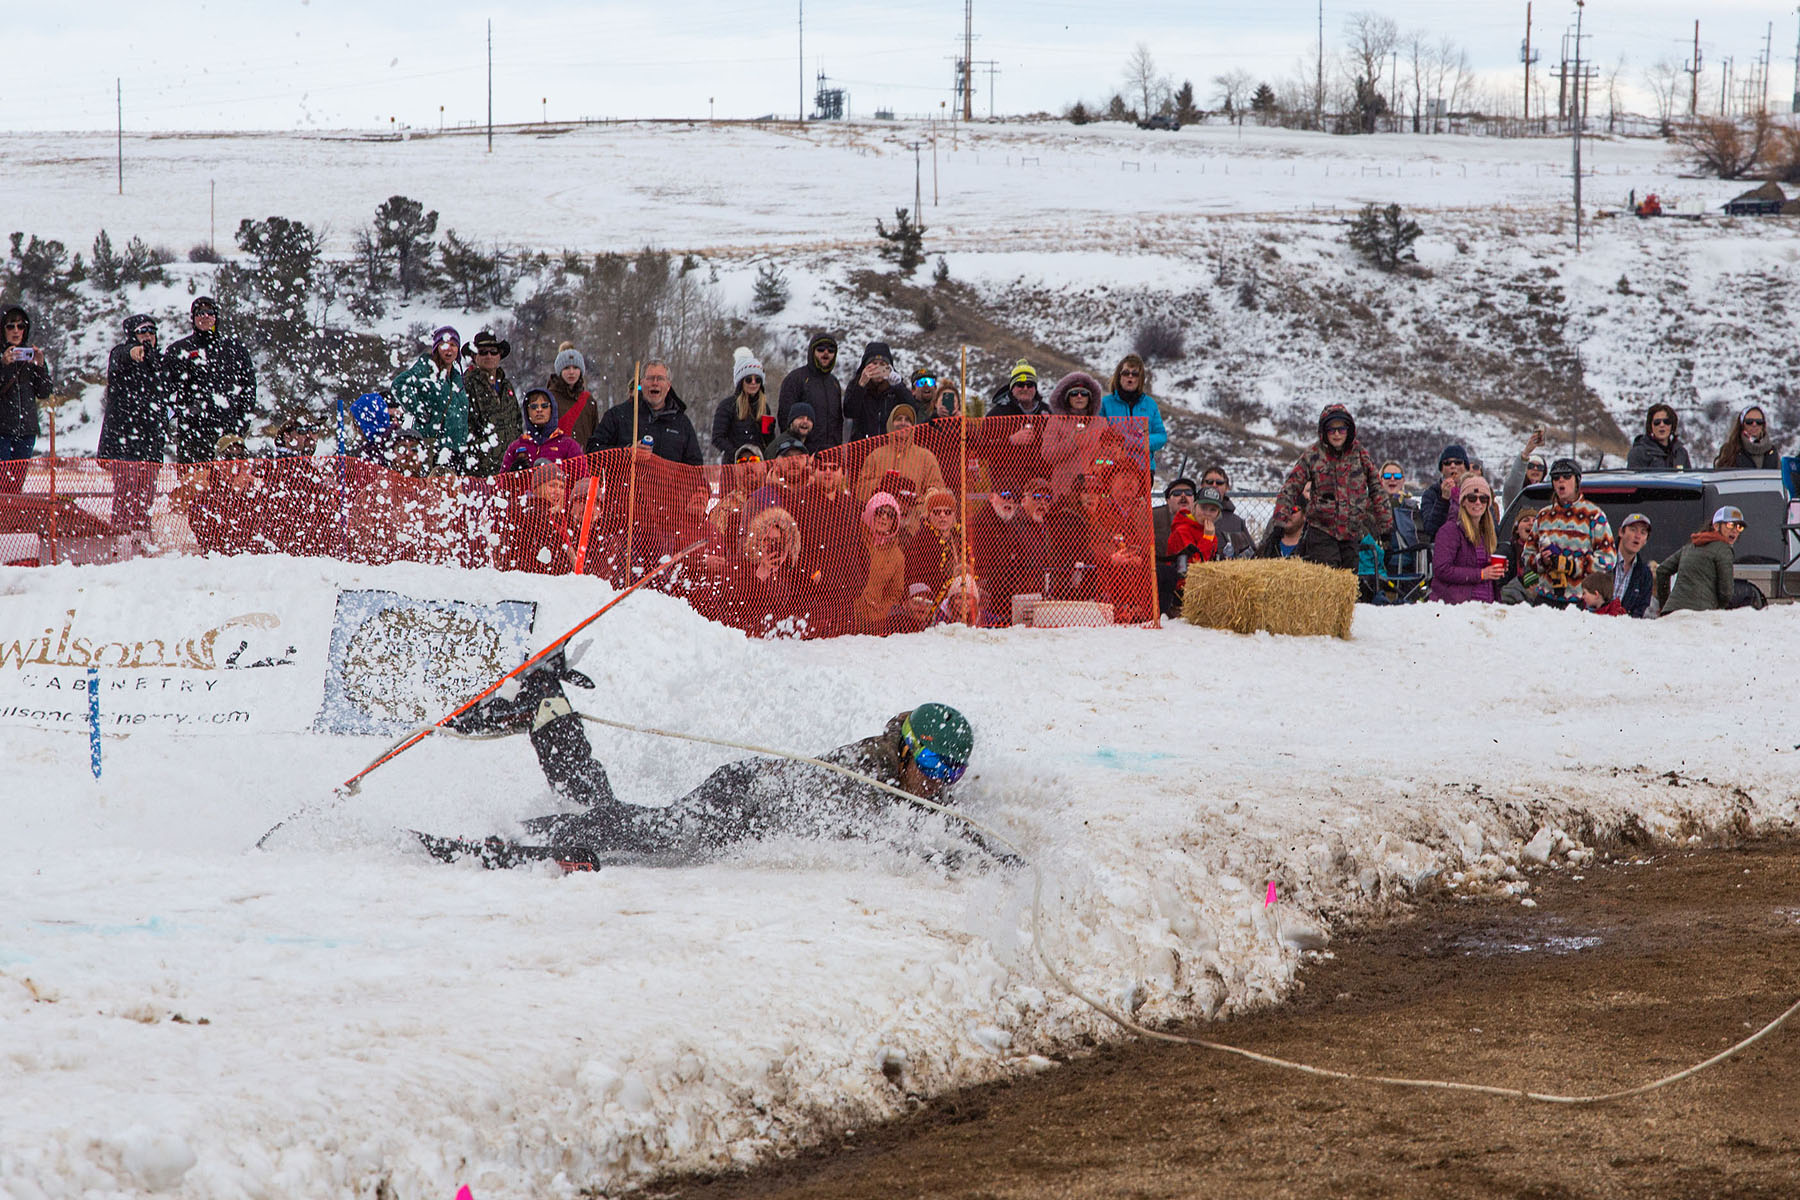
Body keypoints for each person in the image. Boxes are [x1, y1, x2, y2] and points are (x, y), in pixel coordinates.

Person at [420, 688, 982, 870]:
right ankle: (529, 838)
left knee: (637, 821)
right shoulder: (870, 774)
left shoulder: (903, 775)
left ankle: (552, 722)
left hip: (750, 797)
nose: (937, 783)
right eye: (931, 767)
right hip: (741, 802)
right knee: (660, 838)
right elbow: (910, 840)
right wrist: (954, 856)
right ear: (907, 749)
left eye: (949, 773)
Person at [1271, 404, 1391, 569]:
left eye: (1341, 429)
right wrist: (1279, 522)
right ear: (1323, 431)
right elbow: (1290, 488)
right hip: (1322, 530)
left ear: (1348, 430)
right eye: (1331, 430)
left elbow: (1377, 489)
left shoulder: (1360, 454)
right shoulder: (1313, 455)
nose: (1336, 434)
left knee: (1349, 581)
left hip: (1351, 531)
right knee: (1329, 580)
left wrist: (1385, 527)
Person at [163, 296, 257, 466]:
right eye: (200, 313)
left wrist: (241, 422)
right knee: (192, 488)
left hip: (229, 433)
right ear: (193, 317)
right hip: (193, 433)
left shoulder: (234, 348)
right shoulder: (179, 350)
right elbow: (166, 389)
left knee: (229, 486)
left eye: (209, 312)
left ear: (216, 317)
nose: (204, 316)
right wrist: (181, 413)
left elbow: (249, 386)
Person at [98, 314, 171, 532]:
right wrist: (133, 351)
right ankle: (119, 537)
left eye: (151, 331)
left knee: (146, 496)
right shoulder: (121, 355)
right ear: (132, 335)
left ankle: (141, 538)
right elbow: (121, 355)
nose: (148, 336)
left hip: (151, 442)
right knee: (125, 495)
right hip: (125, 441)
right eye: (142, 331)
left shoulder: (160, 362)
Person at [1514, 458, 1616, 605]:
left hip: (1581, 602)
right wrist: (1542, 561)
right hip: (1545, 600)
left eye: (1567, 476)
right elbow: (1526, 558)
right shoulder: (1543, 516)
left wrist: (1572, 566)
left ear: (1577, 481)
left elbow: (1608, 559)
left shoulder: (1594, 515)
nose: (1561, 481)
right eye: (1556, 477)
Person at [588, 359, 704, 465]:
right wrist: (627, 453)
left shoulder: (681, 423)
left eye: (660, 378)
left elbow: (695, 466)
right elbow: (592, 451)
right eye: (650, 378)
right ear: (641, 383)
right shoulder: (618, 415)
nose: (655, 383)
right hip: (627, 487)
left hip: (667, 487)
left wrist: (701, 487)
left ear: (668, 386)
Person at [390, 325, 469, 471]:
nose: (449, 349)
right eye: (444, 344)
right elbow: (399, 385)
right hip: (433, 446)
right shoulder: (427, 368)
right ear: (436, 348)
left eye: (453, 345)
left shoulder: (458, 378)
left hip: (457, 449)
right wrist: (418, 410)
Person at [185, 434, 272, 556]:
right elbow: (205, 534)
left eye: (241, 456)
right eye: (230, 457)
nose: (236, 462)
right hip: (218, 558)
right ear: (218, 460)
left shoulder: (255, 495)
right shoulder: (204, 492)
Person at [1428, 474, 1503, 604]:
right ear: (1463, 501)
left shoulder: (1487, 532)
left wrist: (1494, 570)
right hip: (1457, 607)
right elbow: (1442, 569)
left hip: (1486, 605)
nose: (1478, 502)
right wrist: (1481, 574)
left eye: (1483, 498)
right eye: (1472, 498)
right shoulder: (1450, 530)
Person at [0, 305, 52, 493]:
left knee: (15, 485)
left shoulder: (28, 358)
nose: (16, 331)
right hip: (2, 430)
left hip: (26, 430)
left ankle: (9, 521)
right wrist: (4, 365)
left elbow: (44, 392)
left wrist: (39, 365)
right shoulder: (3, 358)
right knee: (2, 485)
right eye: (10, 326)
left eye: (21, 326)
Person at [1656, 506, 1745, 615]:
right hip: (1700, 615)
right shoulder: (1723, 549)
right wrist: (1718, 609)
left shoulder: (1691, 545)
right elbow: (1726, 592)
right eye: (1730, 525)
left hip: (1671, 612)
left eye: (1739, 527)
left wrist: (1665, 605)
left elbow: (1662, 570)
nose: (1735, 530)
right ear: (1716, 526)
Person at [853, 403, 946, 507]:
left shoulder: (926, 457)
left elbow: (937, 490)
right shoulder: (876, 455)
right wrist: (882, 484)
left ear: (913, 426)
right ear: (891, 423)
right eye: (898, 419)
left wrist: (915, 500)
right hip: (881, 517)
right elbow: (860, 490)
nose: (903, 423)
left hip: (914, 518)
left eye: (907, 420)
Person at [1153, 478, 1221, 616]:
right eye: (1203, 508)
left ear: (1218, 514)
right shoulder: (1182, 530)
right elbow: (1194, 567)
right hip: (1180, 591)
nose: (1207, 513)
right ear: (1194, 507)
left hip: (1201, 588)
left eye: (1212, 510)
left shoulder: (1209, 532)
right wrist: (1207, 539)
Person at [460, 330, 521, 476]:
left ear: (499, 355)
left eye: (493, 352)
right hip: (480, 473)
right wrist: (482, 456)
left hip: (510, 469)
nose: (489, 356)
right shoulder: (466, 385)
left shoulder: (507, 387)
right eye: (483, 352)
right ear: (474, 356)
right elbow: (465, 429)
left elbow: (517, 423)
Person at [1041, 370, 1109, 498]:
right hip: (1064, 491)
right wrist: (1072, 442)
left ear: (1090, 398)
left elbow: (1109, 458)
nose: (1079, 396)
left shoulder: (1101, 423)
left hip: (1093, 490)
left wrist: (1099, 464)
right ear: (1067, 398)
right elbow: (1047, 455)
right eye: (1074, 393)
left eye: (1084, 393)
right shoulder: (1055, 421)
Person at [1098, 355, 1168, 476]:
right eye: (1126, 373)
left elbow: (1161, 436)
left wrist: (1142, 443)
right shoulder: (1105, 403)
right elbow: (1098, 434)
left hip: (1143, 469)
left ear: (1140, 379)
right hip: (1112, 468)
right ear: (1119, 377)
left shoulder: (1150, 404)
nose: (1130, 377)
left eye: (1135, 374)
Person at [853, 492, 907, 634]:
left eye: (889, 515)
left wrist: (881, 610)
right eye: (880, 512)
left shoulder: (897, 556)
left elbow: (895, 593)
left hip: (875, 621)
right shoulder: (854, 540)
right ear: (871, 512)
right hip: (848, 614)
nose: (884, 518)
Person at [778, 332, 845, 448]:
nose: (826, 353)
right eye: (820, 349)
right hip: (803, 454)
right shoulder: (795, 379)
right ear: (812, 352)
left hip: (832, 455)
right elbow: (785, 419)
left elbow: (838, 422)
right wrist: (794, 450)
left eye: (831, 351)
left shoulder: (834, 383)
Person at [711, 347, 776, 461]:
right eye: (748, 379)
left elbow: (768, 443)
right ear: (741, 382)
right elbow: (717, 438)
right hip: (733, 468)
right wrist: (739, 454)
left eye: (758, 379)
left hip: (757, 467)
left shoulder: (764, 407)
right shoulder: (727, 405)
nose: (753, 383)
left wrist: (769, 433)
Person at [503, 388, 586, 472]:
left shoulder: (568, 445)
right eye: (533, 406)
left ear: (552, 409)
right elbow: (500, 483)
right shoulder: (516, 447)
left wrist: (559, 474)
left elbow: (582, 480)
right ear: (527, 411)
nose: (539, 410)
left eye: (544, 406)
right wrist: (512, 475)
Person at [844, 341, 909, 444]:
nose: (878, 368)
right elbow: (849, 411)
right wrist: (861, 386)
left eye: (882, 365)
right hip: (861, 449)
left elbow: (912, 408)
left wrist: (898, 386)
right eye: (874, 364)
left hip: (889, 448)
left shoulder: (895, 387)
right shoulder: (855, 384)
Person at [1198, 467, 1257, 559]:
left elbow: (1252, 556)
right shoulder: (1190, 518)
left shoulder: (1236, 522)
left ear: (1227, 487)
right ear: (1202, 485)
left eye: (1219, 483)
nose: (1214, 485)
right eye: (1209, 482)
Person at [547, 343, 599, 446]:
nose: (571, 372)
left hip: (583, 459)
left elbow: (595, 436)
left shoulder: (588, 401)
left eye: (575, 367)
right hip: (555, 459)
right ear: (560, 371)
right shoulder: (548, 398)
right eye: (566, 368)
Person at [1417, 444, 1468, 542]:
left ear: (1465, 467)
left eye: (1458, 462)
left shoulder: (1476, 491)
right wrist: (1443, 500)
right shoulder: (1431, 494)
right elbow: (1430, 530)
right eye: (1447, 463)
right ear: (1442, 469)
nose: (1453, 466)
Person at [1612, 511, 1657, 619]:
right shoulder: (1603, 560)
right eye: (1633, 530)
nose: (1637, 536)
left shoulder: (1645, 575)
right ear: (1621, 532)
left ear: (1645, 540)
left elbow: (1641, 610)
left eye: (1643, 532)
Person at [1625, 402, 1690, 470]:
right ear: (1650, 426)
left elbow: (1689, 479)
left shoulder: (1681, 453)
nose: (1662, 425)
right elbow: (1634, 479)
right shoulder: (1638, 453)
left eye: (1666, 422)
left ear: (1672, 425)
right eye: (1657, 422)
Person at [1713, 406, 1779, 469]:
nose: (1754, 425)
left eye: (1759, 422)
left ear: (1763, 425)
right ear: (1742, 424)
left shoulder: (1772, 453)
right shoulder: (1729, 450)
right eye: (1749, 422)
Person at [1502, 428, 1548, 507]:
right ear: (1525, 470)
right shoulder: (1517, 493)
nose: (1535, 469)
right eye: (1531, 466)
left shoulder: (1547, 494)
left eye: (1540, 467)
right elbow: (1512, 485)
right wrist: (1525, 453)